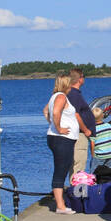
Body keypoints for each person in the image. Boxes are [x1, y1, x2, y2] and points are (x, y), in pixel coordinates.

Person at [45, 73, 81, 213]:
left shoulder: (54, 96)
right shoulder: (61, 96)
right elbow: (54, 112)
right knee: (61, 170)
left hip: (59, 138)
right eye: (70, 83)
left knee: (63, 168)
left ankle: (61, 203)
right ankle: (60, 206)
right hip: (61, 139)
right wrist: (59, 128)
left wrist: (53, 125)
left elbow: (45, 111)